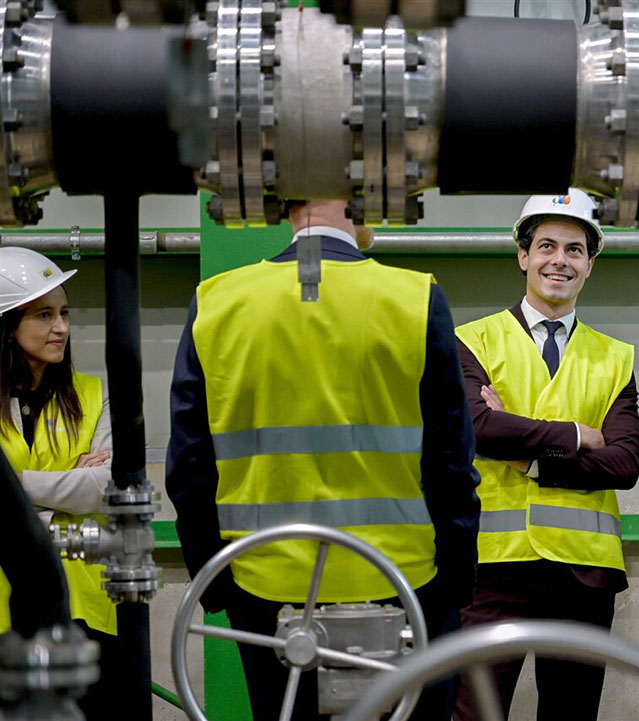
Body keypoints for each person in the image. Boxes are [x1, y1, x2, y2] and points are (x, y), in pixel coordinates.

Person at [166, 199, 481, 721]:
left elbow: (190, 465)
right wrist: (456, 582)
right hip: (402, 584)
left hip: (264, 590)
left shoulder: (218, 303)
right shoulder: (414, 298)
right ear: (351, 197)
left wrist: (214, 582)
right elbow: (450, 461)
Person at [453, 189, 639, 721]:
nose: (559, 260)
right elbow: (477, 427)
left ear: (590, 264)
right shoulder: (472, 341)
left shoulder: (615, 357)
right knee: (472, 714)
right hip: (490, 568)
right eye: (547, 246)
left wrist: (530, 458)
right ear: (523, 256)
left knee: (571, 715)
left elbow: (626, 464)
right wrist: (580, 436)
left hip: (584, 574)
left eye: (575, 249)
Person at [0, 247, 116, 720]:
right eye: (44, 315)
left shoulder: (91, 395)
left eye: (65, 314)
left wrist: (11, 488)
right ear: (8, 324)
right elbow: (83, 488)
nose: (61, 328)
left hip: (84, 605)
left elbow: (107, 487)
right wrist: (67, 485)